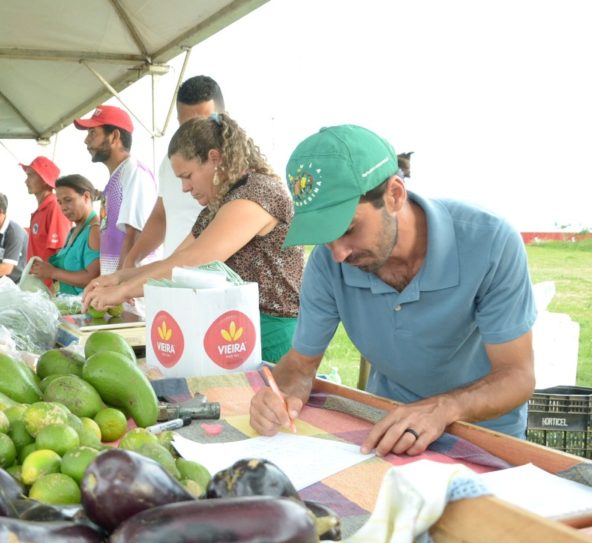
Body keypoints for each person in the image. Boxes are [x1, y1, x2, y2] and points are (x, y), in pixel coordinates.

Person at [249, 125, 536, 457]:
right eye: (324, 236)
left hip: (485, 436)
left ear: (395, 195)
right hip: (389, 429)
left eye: (348, 229)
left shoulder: (490, 242)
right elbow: (300, 365)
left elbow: (517, 375)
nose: (339, 253)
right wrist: (279, 395)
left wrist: (442, 408)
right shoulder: (327, 264)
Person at [83, 114, 304, 362]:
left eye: (187, 176)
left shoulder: (256, 194)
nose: (184, 188)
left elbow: (194, 260)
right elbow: (176, 260)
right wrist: (118, 277)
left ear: (214, 158)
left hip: (275, 334)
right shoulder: (220, 205)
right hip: (238, 328)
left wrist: (123, 292)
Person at [121, 75, 224, 268]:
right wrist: (133, 258)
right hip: (176, 280)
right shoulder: (169, 163)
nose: (195, 133)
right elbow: (161, 215)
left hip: (218, 285)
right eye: (187, 126)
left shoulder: (239, 166)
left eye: (204, 123)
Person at [73, 105, 157, 274]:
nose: (86, 140)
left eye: (92, 133)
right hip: (117, 290)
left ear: (114, 136)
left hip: (129, 293)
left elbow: (134, 234)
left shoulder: (134, 172)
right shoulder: (118, 177)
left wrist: (118, 283)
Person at [29, 174, 101, 295]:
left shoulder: (95, 230)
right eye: (60, 202)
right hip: (67, 306)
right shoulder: (73, 231)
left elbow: (93, 278)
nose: (63, 208)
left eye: (68, 200)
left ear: (86, 197)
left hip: (85, 310)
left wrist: (52, 272)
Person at [22, 156, 70, 285]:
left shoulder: (55, 207)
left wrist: (56, 287)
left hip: (49, 287)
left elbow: (61, 251)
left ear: (44, 180)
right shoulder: (41, 209)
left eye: (30, 176)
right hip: (37, 285)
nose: (26, 181)